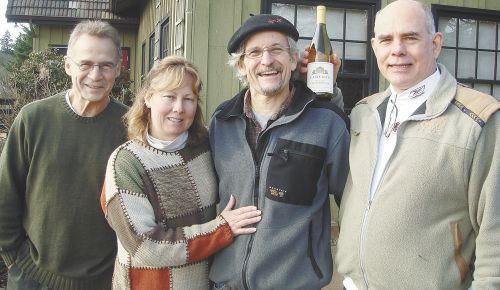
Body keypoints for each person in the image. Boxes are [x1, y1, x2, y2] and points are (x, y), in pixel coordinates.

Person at [331, 0, 500, 289]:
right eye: (386, 40)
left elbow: (495, 231)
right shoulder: (364, 111)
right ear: (374, 48)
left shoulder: (479, 119)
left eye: (410, 37)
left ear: (435, 44)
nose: (397, 50)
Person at [208, 14, 350, 290]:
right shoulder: (221, 122)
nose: (267, 61)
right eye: (255, 53)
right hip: (225, 285)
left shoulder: (327, 122)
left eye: (276, 50)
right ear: (241, 65)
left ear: (294, 60)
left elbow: (354, 204)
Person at [101, 56, 262, 289]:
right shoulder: (126, 162)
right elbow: (144, 247)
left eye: (189, 99)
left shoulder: (208, 145)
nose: (179, 108)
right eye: (169, 97)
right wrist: (220, 230)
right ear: (148, 98)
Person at [0, 20, 127, 290]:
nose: (96, 75)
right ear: (68, 65)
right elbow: (5, 195)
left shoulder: (130, 127)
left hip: (105, 281)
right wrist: (13, 258)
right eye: (86, 64)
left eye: (106, 65)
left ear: (118, 69)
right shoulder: (33, 119)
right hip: (33, 278)